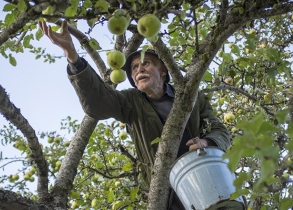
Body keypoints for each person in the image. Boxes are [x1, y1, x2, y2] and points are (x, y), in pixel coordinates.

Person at [39, 20, 230, 210]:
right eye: (134, 68)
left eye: (145, 64)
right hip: (167, 197)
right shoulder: (131, 102)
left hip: (207, 183)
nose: (139, 70)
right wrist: (73, 56)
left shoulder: (191, 96)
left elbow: (219, 129)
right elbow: (98, 103)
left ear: (163, 70)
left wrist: (207, 142)